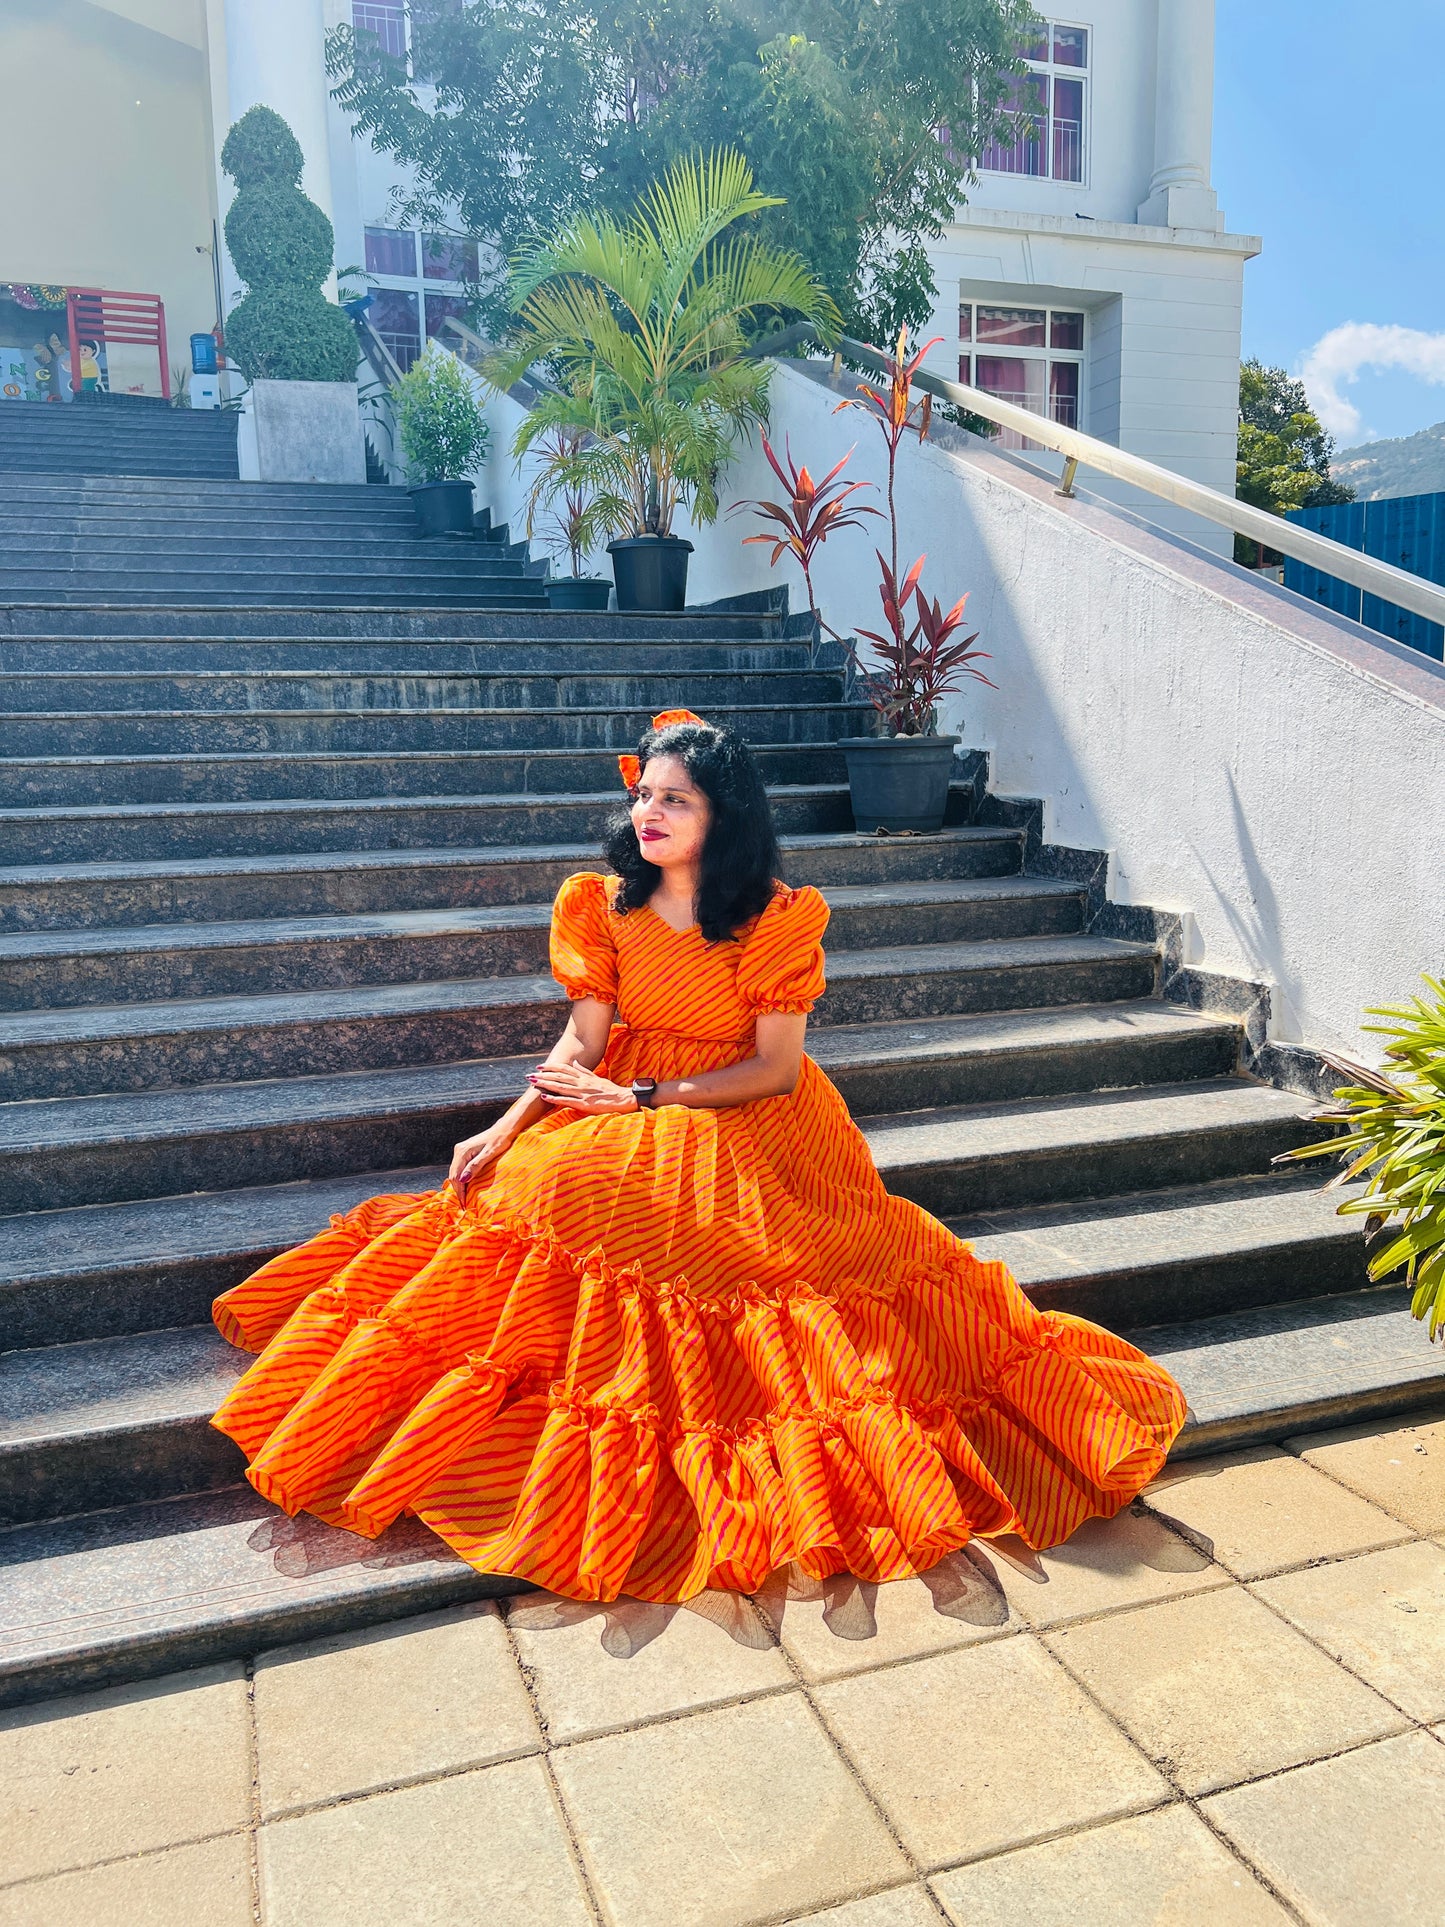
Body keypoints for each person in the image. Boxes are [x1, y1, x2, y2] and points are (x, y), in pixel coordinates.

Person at [212, 708, 1186, 1602]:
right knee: (526, 1180)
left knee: (604, 1205)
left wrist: (638, 1096)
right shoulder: (603, 903)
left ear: (724, 813)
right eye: (642, 794)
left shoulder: (774, 913)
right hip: (621, 1091)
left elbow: (772, 1068)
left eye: (673, 798)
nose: (648, 811)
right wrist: (505, 1122)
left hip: (746, 1119)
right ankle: (497, 1423)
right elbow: (582, 1040)